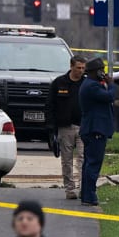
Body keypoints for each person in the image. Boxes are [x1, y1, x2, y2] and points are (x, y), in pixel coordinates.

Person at [79, 57, 116, 207]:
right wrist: (111, 85)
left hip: (91, 128)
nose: (104, 73)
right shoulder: (92, 86)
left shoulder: (90, 84)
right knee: (93, 164)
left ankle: (86, 194)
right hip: (95, 129)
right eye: (102, 70)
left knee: (88, 163)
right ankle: (89, 196)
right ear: (96, 71)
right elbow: (109, 97)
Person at [49, 56, 86, 199]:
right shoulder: (59, 83)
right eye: (78, 68)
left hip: (83, 126)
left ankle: (84, 188)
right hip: (65, 127)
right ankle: (69, 189)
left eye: (83, 68)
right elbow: (50, 105)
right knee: (67, 160)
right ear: (71, 66)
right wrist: (51, 127)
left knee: (83, 158)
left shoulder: (86, 83)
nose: (81, 71)